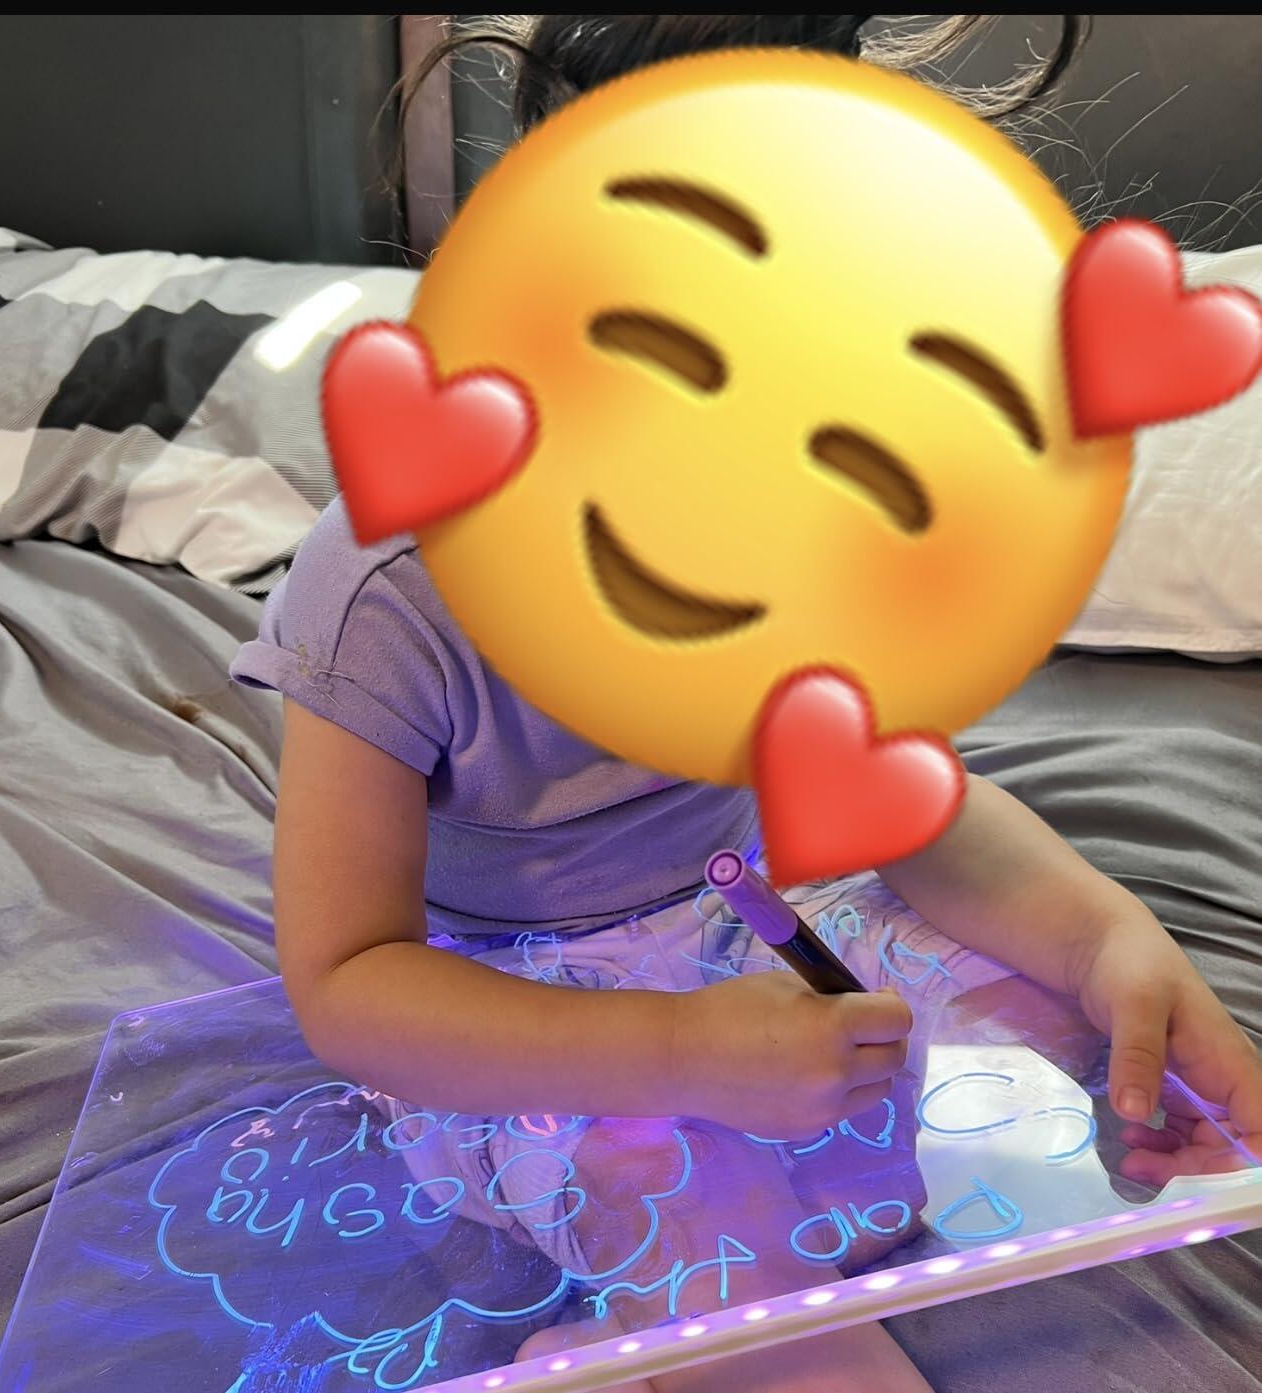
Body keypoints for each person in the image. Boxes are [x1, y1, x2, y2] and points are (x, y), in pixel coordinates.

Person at [230, 16, 1262, 1391]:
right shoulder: (389, 593)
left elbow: (908, 810)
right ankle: (635, 1342)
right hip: (513, 1002)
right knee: (704, 1216)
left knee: (1076, 1049)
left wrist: (1108, 941)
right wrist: (676, 1053)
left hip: (765, 905)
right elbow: (350, 982)